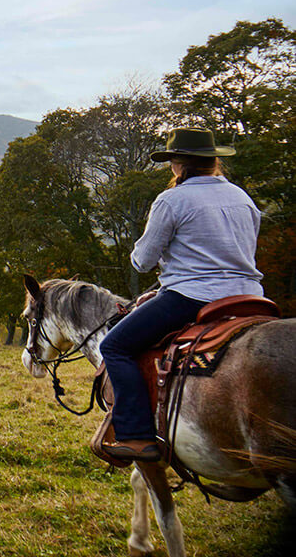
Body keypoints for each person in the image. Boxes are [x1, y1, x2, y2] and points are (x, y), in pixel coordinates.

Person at [100, 127, 264, 462]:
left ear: (178, 164)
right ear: (212, 160)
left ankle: (135, 436)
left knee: (114, 346)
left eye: (173, 160)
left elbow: (143, 261)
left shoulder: (172, 199)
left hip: (193, 296)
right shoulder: (241, 197)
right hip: (251, 296)